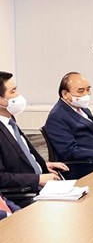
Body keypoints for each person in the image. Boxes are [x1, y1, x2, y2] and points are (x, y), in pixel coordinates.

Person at [0, 71, 68, 208]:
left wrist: (41, 164)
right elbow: (1, 178)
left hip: (41, 184)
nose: (18, 95)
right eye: (13, 92)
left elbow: (20, 154)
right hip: (25, 195)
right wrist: (37, 179)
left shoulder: (9, 120)